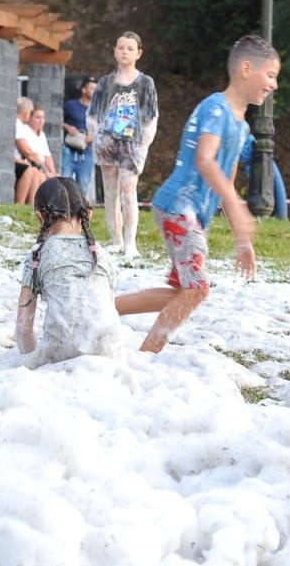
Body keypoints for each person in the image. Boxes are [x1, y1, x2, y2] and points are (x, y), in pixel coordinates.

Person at [114, 35, 277, 354]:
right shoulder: (216, 109)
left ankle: (102, 308)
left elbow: (226, 184)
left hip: (187, 213)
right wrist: (239, 209)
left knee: (181, 291)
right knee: (198, 289)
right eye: (270, 75)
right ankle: (147, 354)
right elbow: (204, 159)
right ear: (246, 68)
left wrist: (242, 241)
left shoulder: (242, 127)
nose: (274, 84)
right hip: (178, 207)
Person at [14, 176, 122, 363]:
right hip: (109, 355)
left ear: (40, 217)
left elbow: (23, 329)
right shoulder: (102, 255)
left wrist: (30, 360)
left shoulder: (37, 256)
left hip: (59, 358)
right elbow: (107, 310)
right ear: (88, 214)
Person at [88, 32, 158, 258]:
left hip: (132, 143)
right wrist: (97, 136)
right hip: (107, 142)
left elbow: (151, 118)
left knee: (129, 190)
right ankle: (116, 240)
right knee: (110, 191)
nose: (124, 52)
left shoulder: (145, 83)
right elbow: (92, 114)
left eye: (130, 48)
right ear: (114, 50)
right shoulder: (105, 83)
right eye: (121, 47)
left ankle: (131, 243)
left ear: (138, 53)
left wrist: (144, 143)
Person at [14, 97, 57, 206]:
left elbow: (47, 156)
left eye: (43, 117)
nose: (41, 120)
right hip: (28, 163)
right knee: (35, 173)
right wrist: (45, 171)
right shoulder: (22, 128)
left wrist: (52, 172)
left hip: (36, 165)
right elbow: (27, 152)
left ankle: (36, 208)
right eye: (37, 117)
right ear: (27, 115)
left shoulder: (41, 135)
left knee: (44, 176)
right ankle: (23, 205)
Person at [61, 76, 97, 202]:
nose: (94, 91)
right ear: (83, 90)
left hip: (87, 152)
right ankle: (63, 208)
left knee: (83, 185)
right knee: (64, 182)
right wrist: (68, 127)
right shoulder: (70, 105)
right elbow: (58, 121)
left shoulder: (97, 109)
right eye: (92, 88)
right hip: (69, 150)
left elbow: (105, 129)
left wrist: (93, 136)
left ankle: (78, 212)